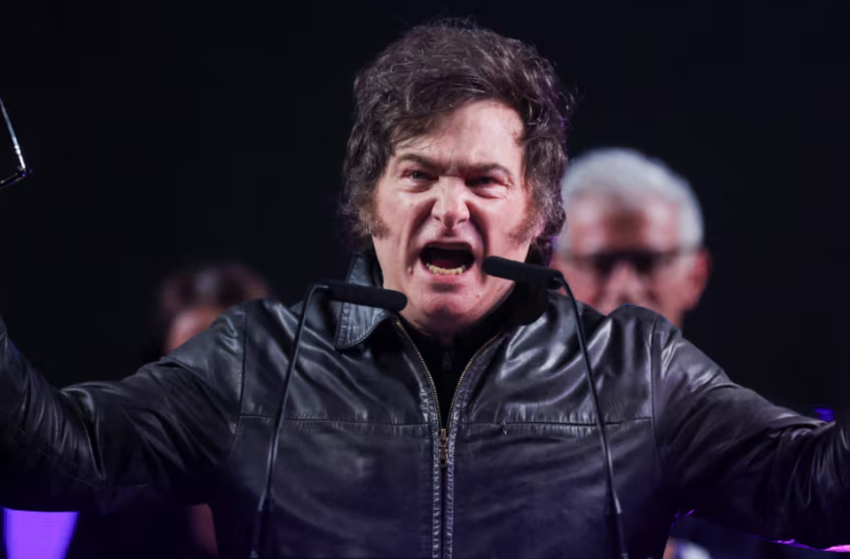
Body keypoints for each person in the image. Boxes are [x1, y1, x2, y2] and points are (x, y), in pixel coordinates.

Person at [0, 21, 849, 558]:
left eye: (484, 179)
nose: (449, 206)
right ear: (369, 203)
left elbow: (820, 491)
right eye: (418, 174)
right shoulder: (254, 362)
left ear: (536, 214)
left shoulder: (640, 372)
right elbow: (52, 459)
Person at [552, 149, 838, 559]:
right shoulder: (493, 425)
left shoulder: (778, 446)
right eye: (601, 262)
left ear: (696, 274)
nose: (625, 287)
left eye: (649, 262)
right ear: (552, 269)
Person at [65, 261, 272, 559]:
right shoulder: (118, 494)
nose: (204, 387)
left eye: (223, 364)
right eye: (184, 366)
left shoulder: (306, 482)